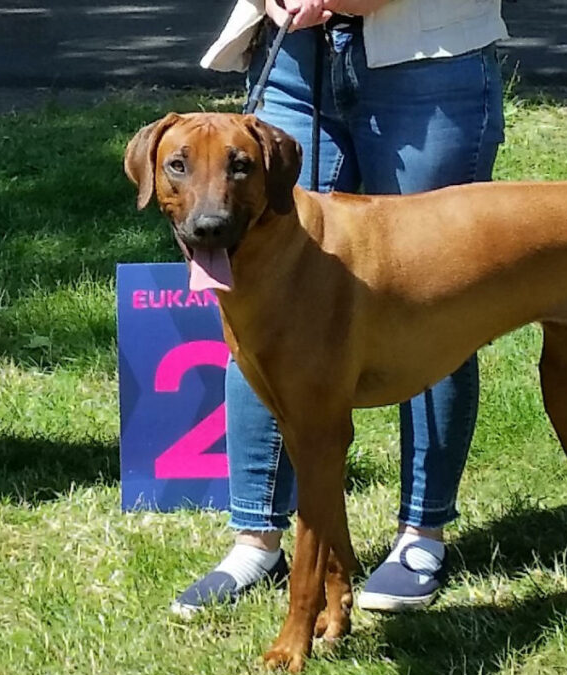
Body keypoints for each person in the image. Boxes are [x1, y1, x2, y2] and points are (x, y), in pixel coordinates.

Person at [172, 0, 507, 616]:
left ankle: (420, 535)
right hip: (295, 56)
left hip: (426, 54)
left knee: (431, 296)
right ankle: (257, 537)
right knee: (262, 305)